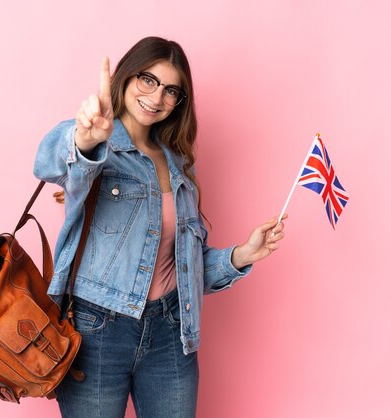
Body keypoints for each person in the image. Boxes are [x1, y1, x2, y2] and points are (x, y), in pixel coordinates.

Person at [33, 36, 287, 418]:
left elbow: (187, 266)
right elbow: (49, 162)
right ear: (125, 77)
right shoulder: (99, 143)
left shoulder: (180, 164)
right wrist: (85, 140)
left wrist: (241, 256)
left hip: (171, 331)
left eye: (171, 90)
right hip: (97, 329)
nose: (157, 97)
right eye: (148, 80)